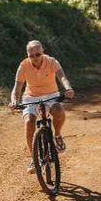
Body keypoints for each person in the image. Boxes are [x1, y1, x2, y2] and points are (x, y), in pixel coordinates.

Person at [10, 40, 75, 174]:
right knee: (29, 122)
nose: (35, 58)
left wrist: (68, 89)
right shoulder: (23, 66)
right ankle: (34, 158)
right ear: (27, 55)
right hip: (31, 97)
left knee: (59, 111)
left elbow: (62, 77)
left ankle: (57, 135)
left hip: (51, 94)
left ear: (43, 52)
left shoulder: (51, 62)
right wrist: (14, 101)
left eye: (38, 54)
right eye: (31, 55)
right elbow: (16, 89)